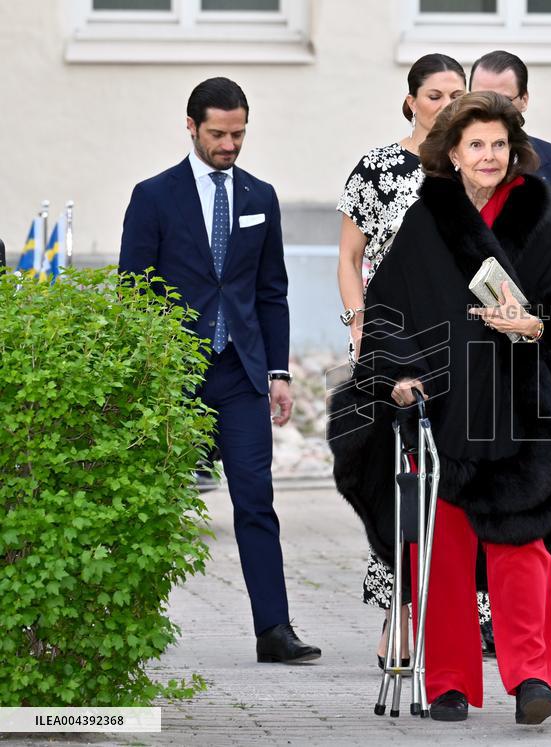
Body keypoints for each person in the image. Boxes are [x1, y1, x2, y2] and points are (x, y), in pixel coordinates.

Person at [329, 91, 551, 724]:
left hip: (524, 410)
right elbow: (388, 314)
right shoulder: (424, 220)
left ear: (515, 152)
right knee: (446, 551)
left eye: (499, 144)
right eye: (476, 144)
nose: (489, 155)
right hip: (445, 407)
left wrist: (533, 324)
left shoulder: (534, 218)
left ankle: (532, 678)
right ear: (451, 152)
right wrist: (399, 376)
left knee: (521, 546)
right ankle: (449, 682)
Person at [119, 77, 320, 664]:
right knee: (153, 504)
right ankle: (131, 630)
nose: (230, 144)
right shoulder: (154, 196)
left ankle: (273, 630)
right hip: (173, 374)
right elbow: (134, 290)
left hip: (241, 374)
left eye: (238, 134)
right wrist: (144, 373)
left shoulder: (260, 195)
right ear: (191, 127)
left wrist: (279, 373)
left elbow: (272, 291)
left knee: (255, 498)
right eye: (218, 134)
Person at [336, 52, 466, 672]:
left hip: (461, 345)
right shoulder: (380, 168)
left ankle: (467, 614)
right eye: (435, 95)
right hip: (391, 344)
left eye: (456, 95)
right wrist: (360, 329)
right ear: (411, 100)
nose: (445, 105)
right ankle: (401, 612)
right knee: (401, 480)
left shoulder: (472, 165)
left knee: (465, 477)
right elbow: (349, 257)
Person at [470, 50, 551, 275]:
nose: (490, 109)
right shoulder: (445, 160)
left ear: (524, 100)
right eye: (480, 98)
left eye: (502, 100)